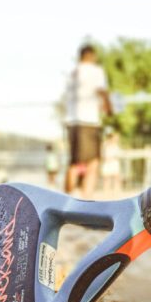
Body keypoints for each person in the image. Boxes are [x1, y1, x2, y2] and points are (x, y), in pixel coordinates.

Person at [64, 44, 112, 198]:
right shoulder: (95, 71)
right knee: (93, 162)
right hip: (89, 122)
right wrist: (108, 107)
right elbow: (101, 91)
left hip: (72, 122)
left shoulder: (73, 73)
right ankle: (86, 201)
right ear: (91, 56)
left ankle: (67, 199)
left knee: (74, 162)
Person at [101, 129, 122, 196]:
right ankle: (106, 191)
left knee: (116, 177)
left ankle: (116, 190)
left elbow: (118, 154)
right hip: (107, 162)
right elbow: (102, 153)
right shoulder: (105, 144)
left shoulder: (116, 145)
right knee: (106, 178)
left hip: (114, 162)